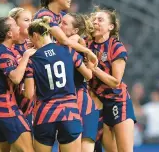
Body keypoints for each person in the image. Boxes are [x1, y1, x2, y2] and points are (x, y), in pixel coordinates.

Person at [24, 17, 93, 152]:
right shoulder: (68, 50)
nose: (30, 43)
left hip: (45, 114)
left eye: (30, 38)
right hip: (69, 112)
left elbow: (29, 94)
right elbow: (88, 75)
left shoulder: (31, 60)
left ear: (36, 35)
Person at [0, 16, 35, 152]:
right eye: (15, 26)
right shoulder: (4, 52)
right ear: (9, 33)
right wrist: (26, 56)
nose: (18, 27)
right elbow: (16, 78)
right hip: (7, 109)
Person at [87, 8, 136, 152]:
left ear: (111, 26)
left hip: (118, 102)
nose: (95, 22)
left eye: (100, 20)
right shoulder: (85, 44)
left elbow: (116, 81)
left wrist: (94, 68)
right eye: (94, 19)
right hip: (98, 104)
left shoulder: (116, 47)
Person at [34, 0, 98, 66]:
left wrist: (79, 39)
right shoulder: (44, 15)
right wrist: (88, 51)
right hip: (41, 65)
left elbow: (76, 39)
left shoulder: (62, 15)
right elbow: (64, 40)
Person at [60, 13, 99, 152]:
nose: (59, 26)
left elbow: (89, 76)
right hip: (64, 105)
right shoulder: (55, 47)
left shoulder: (77, 43)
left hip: (83, 105)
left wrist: (84, 48)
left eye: (64, 23)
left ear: (75, 31)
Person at [8, 7, 34, 129]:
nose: (31, 23)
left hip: (31, 108)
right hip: (12, 108)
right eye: (26, 20)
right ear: (14, 24)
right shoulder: (7, 49)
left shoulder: (33, 45)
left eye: (32, 20)